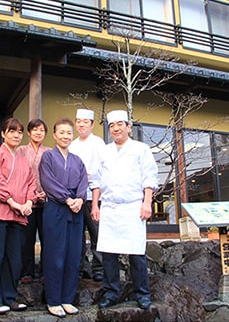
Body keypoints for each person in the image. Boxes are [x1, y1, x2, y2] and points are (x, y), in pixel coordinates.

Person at [91, 110, 158, 310]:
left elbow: (149, 176)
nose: (116, 128)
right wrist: (95, 204)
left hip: (133, 207)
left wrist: (147, 202)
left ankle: (142, 293)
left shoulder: (141, 149)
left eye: (120, 124)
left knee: (137, 254)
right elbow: (96, 180)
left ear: (129, 127)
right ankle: (111, 293)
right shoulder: (104, 151)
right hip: (110, 208)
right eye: (112, 125)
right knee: (109, 255)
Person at [0, 118, 37, 316]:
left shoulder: (23, 159)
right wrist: (13, 202)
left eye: (19, 132)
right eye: (11, 131)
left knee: (14, 259)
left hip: (18, 216)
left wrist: (29, 202)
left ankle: (9, 297)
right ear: (3, 134)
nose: (16, 135)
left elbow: (31, 183)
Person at [39, 118, 89, 318]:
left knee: (73, 255)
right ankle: (53, 300)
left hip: (76, 210)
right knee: (55, 255)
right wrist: (67, 199)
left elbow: (84, 180)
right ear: (54, 135)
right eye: (62, 132)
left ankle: (67, 298)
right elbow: (47, 181)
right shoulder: (48, 157)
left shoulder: (77, 160)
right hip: (56, 209)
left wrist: (80, 199)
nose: (66, 136)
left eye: (69, 132)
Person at [69, 108, 105, 282]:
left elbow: (103, 170)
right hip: (75, 197)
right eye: (78, 121)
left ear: (91, 124)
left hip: (93, 197)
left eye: (85, 122)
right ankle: (82, 266)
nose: (81, 125)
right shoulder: (72, 144)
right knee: (78, 235)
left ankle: (99, 268)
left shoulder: (98, 144)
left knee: (97, 233)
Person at [17, 119, 51, 284]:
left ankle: (46, 272)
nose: (38, 133)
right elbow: (18, 175)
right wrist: (30, 195)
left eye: (42, 130)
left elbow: (53, 176)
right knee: (27, 239)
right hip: (27, 202)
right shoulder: (21, 151)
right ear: (29, 133)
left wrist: (47, 193)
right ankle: (27, 272)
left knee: (47, 238)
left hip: (46, 202)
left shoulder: (50, 152)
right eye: (35, 130)